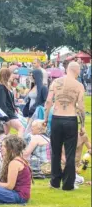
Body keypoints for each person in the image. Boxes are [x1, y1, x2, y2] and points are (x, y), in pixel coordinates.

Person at [44, 61, 85, 191]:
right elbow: (81, 107)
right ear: (76, 71)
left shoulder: (55, 83)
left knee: (55, 152)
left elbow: (49, 101)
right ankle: (68, 184)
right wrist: (82, 125)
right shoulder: (79, 85)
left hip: (56, 118)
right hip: (71, 119)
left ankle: (55, 182)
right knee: (70, 153)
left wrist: (45, 119)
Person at [0, 68, 25, 138]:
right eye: (11, 75)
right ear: (7, 76)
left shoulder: (6, 86)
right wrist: (5, 117)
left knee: (4, 134)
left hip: (9, 113)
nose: (13, 76)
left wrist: (14, 107)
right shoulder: (1, 87)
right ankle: (18, 146)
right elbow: (1, 104)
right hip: (8, 114)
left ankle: (2, 147)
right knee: (21, 128)